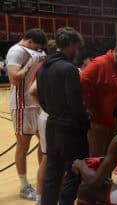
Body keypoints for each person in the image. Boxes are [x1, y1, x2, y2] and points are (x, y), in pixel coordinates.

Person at [36, 27, 89, 205]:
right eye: (76, 47)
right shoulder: (69, 69)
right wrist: (84, 122)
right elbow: (75, 103)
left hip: (51, 126)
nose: (77, 51)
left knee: (52, 173)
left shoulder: (43, 67)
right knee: (74, 173)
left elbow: (41, 98)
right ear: (71, 44)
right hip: (70, 130)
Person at [6, 28, 47, 200]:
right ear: (29, 41)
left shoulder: (35, 51)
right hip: (23, 106)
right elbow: (14, 78)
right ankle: (24, 186)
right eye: (36, 46)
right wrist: (30, 63)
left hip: (37, 103)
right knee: (23, 146)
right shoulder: (16, 51)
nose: (38, 50)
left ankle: (42, 179)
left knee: (45, 144)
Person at [80, 40, 117, 157]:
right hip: (99, 124)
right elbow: (81, 82)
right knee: (96, 159)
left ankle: (107, 176)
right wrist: (86, 106)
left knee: (112, 159)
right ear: (116, 51)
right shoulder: (98, 64)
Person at [29, 40, 57, 205]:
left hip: (44, 114)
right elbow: (32, 91)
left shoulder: (43, 65)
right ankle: (41, 198)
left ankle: (42, 196)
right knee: (48, 158)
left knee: (44, 153)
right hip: (49, 115)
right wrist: (46, 106)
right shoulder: (48, 67)